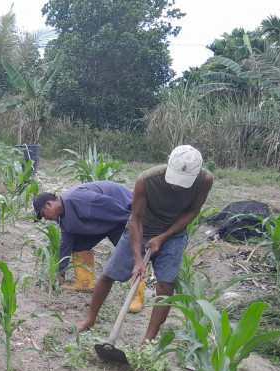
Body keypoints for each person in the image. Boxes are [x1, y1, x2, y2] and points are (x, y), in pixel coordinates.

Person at [76, 145, 214, 342]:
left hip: (174, 234)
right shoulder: (147, 180)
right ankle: (90, 319)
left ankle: (147, 340)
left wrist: (164, 236)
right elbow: (136, 219)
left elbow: (192, 212)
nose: (177, 186)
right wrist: (138, 259)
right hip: (142, 229)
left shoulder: (205, 180)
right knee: (109, 274)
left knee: (166, 286)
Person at [32, 181, 146, 312]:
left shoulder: (78, 199)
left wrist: (132, 220)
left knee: (130, 253)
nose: (45, 219)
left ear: (48, 204)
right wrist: (60, 273)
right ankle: (85, 283)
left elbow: (110, 205)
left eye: (43, 214)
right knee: (78, 244)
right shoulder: (64, 220)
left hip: (120, 213)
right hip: (102, 222)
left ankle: (138, 297)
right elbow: (66, 245)